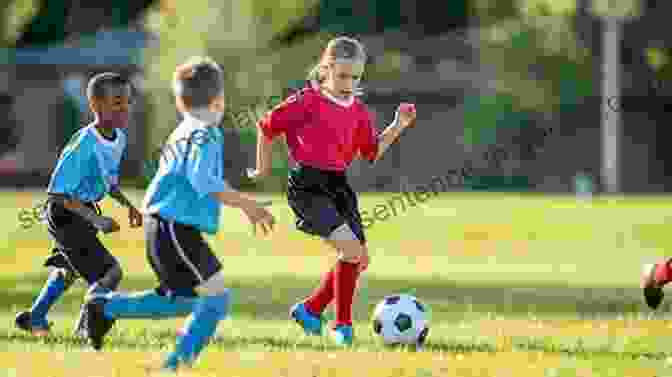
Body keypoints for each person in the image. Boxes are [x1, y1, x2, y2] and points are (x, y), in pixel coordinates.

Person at [81, 56, 276, 372]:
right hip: (175, 228)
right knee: (217, 300)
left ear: (180, 100)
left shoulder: (183, 129)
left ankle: (104, 307)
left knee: (182, 300)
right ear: (219, 100)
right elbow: (203, 181)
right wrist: (247, 204)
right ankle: (175, 364)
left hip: (162, 226)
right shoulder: (207, 132)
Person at [249, 36, 417, 345]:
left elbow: (371, 152)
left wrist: (398, 125)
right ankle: (342, 327)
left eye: (355, 77)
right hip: (308, 188)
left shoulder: (359, 112)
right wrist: (261, 169)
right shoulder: (306, 101)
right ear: (326, 69)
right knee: (352, 252)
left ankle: (310, 310)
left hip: (338, 186)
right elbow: (266, 127)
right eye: (342, 75)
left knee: (358, 258)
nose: (348, 83)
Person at [14, 72, 142, 337]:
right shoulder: (85, 143)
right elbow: (57, 193)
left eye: (128, 101)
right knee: (111, 273)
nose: (125, 108)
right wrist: (95, 219)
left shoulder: (118, 138)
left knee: (69, 269)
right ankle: (86, 329)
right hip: (65, 213)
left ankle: (35, 317)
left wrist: (129, 206)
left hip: (82, 212)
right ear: (96, 106)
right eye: (117, 102)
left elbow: (108, 182)